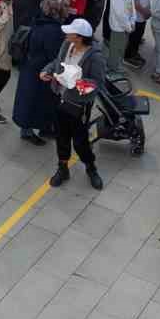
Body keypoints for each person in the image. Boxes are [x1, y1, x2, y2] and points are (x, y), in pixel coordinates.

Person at [41, 18, 107, 190]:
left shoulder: (95, 57)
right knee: (61, 136)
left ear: (79, 37)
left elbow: (97, 83)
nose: (66, 34)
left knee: (80, 141)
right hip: (60, 98)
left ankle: (91, 168)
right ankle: (63, 168)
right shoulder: (67, 45)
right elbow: (58, 62)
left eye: (70, 32)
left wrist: (78, 84)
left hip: (78, 105)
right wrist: (48, 70)